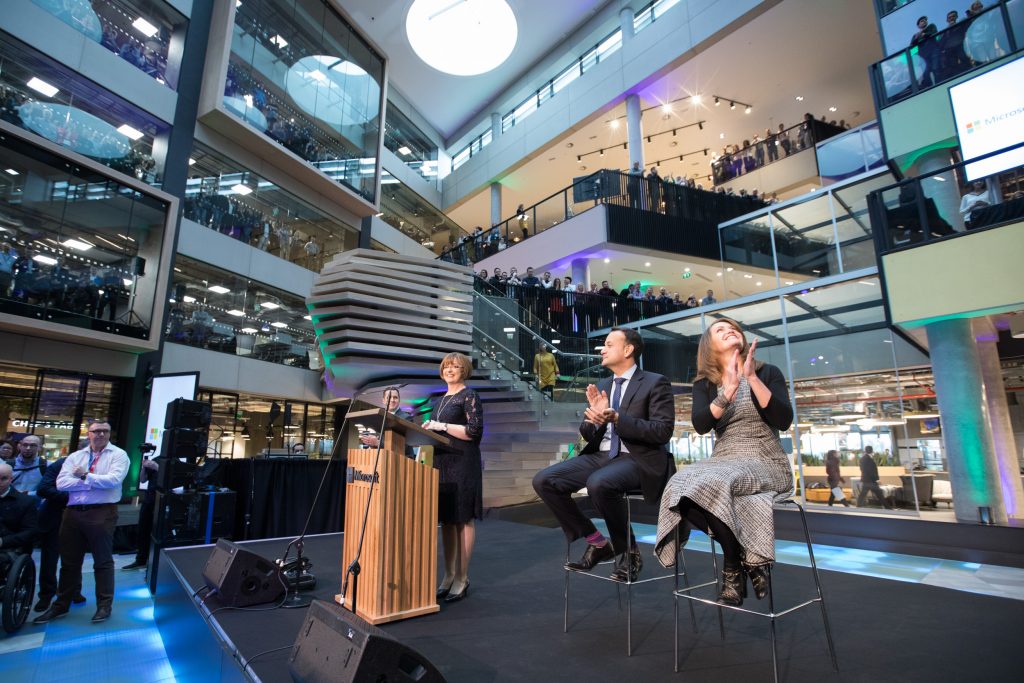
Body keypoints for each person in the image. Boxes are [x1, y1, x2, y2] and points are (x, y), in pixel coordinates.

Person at [654, 318, 794, 606]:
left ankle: (731, 570)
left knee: (715, 481)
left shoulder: (768, 372)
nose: (730, 330)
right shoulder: (705, 384)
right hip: (724, 457)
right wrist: (727, 391)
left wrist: (751, 378)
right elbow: (702, 425)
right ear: (710, 347)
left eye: (734, 328)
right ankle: (741, 560)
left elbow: (784, 420)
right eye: (721, 329)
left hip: (765, 456)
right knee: (679, 485)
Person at [533, 328, 675, 582]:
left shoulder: (655, 382)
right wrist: (596, 419)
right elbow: (587, 433)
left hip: (638, 458)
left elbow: (662, 432)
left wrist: (619, 418)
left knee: (599, 483)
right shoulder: (602, 385)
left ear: (628, 350)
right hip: (602, 456)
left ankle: (630, 551)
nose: (603, 349)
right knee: (544, 480)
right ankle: (598, 542)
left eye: (609, 344)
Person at [34, 420, 129, 625]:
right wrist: (93, 483)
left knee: (103, 561)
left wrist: (84, 476)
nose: (101, 434)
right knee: (69, 562)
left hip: (102, 512)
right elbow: (61, 483)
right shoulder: (75, 456)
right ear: (89, 434)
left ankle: (104, 606)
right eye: (97, 431)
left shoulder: (119, 455)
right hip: (72, 513)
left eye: (105, 431)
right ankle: (61, 605)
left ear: (109, 434)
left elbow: (113, 481)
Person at [423, 353, 483, 603]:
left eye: (456, 366)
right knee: (447, 521)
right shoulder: (439, 401)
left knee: (463, 520)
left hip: (463, 462)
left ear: (465, 370)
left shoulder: (469, 395)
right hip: (442, 462)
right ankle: (448, 576)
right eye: (447, 366)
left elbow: (474, 431)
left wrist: (442, 427)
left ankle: (462, 577)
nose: (450, 370)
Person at [35, 454, 87, 610]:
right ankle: (46, 595)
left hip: (81, 517)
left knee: (75, 558)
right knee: (49, 559)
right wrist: (74, 496)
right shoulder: (62, 463)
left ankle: (73, 591)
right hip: (55, 516)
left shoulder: (99, 469)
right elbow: (43, 489)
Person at [121, 455, 160, 572]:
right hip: (148, 500)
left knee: (157, 533)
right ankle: (141, 560)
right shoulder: (156, 459)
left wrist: (157, 468)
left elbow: (170, 480)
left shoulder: (174, 462)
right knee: (143, 530)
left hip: (162, 501)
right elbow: (143, 479)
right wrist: (144, 467)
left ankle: (155, 562)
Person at [359, 389, 415, 453]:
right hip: (384, 458)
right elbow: (379, 442)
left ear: (399, 400)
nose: (392, 400)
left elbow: (404, 444)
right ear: (383, 400)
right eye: (389, 397)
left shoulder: (406, 418)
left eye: (395, 397)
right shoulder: (381, 418)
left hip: (402, 459)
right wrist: (372, 443)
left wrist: (378, 443)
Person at [0, 461, 38, 556]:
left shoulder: (26, 502)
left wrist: (2, 541)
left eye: (3, 478)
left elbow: (29, 532)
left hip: (10, 549)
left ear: (11, 479)